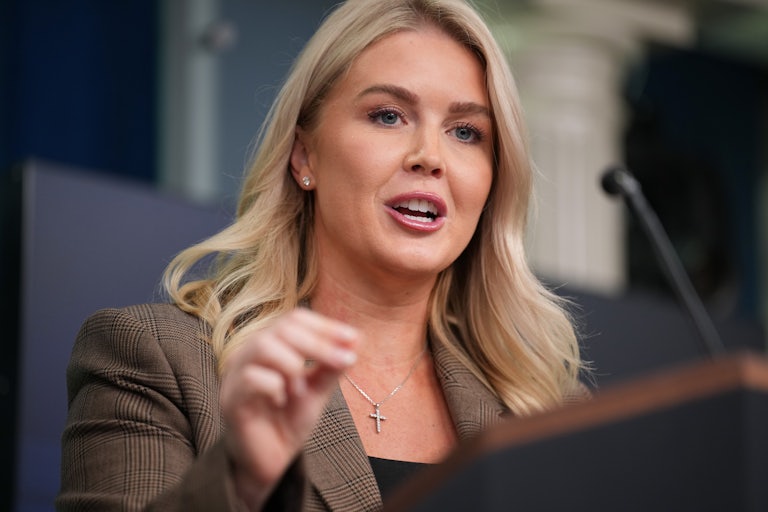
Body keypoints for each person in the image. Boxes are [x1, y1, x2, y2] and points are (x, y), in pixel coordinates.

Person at [57, 0, 588, 510]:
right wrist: (240, 480)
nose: (430, 156)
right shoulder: (155, 358)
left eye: (466, 132)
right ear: (303, 155)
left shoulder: (549, 412)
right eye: (388, 116)